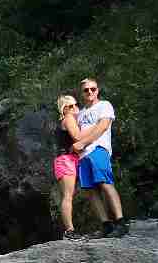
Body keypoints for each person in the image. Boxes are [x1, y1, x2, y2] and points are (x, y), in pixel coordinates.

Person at [72, 77, 129, 237]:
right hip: (83, 155)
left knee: (105, 183)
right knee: (89, 190)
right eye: (86, 90)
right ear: (81, 93)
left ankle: (120, 222)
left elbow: (103, 127)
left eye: (93, 89)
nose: (90, 92)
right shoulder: (80, 113)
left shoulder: (104, 105)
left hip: (98, 149)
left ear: (98, 90)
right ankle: (106, 225)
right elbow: (74, 133)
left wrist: (83, 142)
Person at [53, 93, 82, 238]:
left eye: (76, 105)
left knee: (68, 196)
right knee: (68, 196)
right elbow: (78, 137)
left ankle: (70, 230)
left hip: (65, 159)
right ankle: (69, 230)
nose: (74, 108)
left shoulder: (65, 121)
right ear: (64, 109)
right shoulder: (69, 119)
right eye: (70, 106)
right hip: (67, 160)